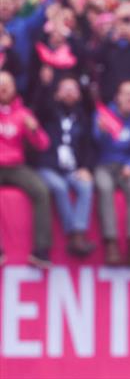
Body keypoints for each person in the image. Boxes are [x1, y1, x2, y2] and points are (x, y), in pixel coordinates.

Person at [36, 77, 96, 257]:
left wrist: (86, 167)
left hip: (73, 168)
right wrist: (46, 85)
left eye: (73, 89)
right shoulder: (49, 113)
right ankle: (73, 235)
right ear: (57, 93)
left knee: (86, 186)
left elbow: (88, 146)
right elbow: (39, 106)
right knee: (60, 187)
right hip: (49, 166)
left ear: (79, 94)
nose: (69, 92)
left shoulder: (83, 117)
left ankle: (78, 233)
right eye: (65, 88)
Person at [0, 70, 52, 268]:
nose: (3, 88)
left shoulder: (22, 113)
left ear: (14, 88)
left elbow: (43, 144)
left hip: (16, 166)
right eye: (0, 84)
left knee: (41, 191)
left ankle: (41, 250)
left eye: (7, 85)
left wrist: (34, 129)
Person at [93, 80, 130, 265]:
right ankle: (111, 243)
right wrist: (101, 132)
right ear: (117, 97)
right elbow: (93, 144)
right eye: (127, 93)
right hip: (104, 164)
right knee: (105, 188)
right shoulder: (103, 115)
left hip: (126, 165)